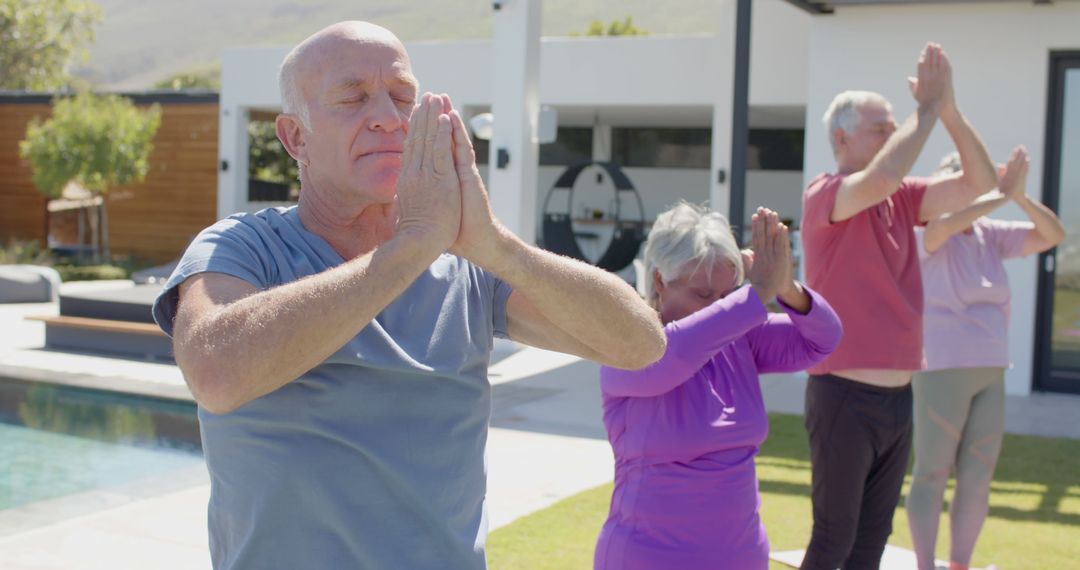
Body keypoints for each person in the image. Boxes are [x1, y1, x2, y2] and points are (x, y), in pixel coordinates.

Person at [151, 22, 666, 570]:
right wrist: (410, 248)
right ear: (294, 137)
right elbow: (215, 373)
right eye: (352, 98)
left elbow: (640, 344)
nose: (388, 117)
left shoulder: (467, 265)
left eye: (403, 97)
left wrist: (498, 247)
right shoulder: (242, 247)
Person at [799, 42, 1000, 569]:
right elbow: (883, 176)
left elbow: (981, 184)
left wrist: (949, 110)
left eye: (894, 127)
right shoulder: (826, 194)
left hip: (896, 401)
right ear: (842, 139)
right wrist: (926, 111)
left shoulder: (903, 198)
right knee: (833, 540)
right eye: (879, 129)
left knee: (870, 543)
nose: (894, 136)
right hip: (843, 396)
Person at [594, 203, 842, 570]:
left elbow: (822, 340)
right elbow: (669, 357)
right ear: (660, 281)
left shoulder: (739, 336)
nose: (719, 307)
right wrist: (754, 296)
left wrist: (784, 287)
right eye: (703, 294)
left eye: (727, 295)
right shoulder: (628, 344)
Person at [906, 146, 1065, 570]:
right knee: (932, 472)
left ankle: (960, 564)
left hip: (991, 368)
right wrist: (998, 193)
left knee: (977, 478)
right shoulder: (927, 231)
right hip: (942, 367)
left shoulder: (988, 233)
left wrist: (1019, 196)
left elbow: (1053, 235)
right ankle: (925, 565)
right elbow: (945, 225)